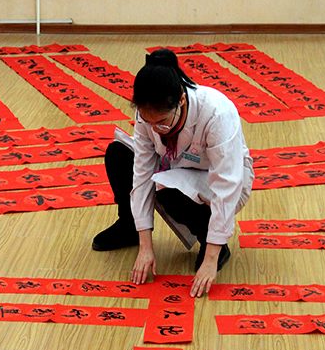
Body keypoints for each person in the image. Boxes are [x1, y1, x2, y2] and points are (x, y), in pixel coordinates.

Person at [92, 48, 254, 297]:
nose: (156, 129)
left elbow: (226, 185)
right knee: (119, 153)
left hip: (219, 178)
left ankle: (213, 241)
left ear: (181, 100)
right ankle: (129, 225)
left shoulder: (217, 113)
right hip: (175, 165)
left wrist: (211, 258)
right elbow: (142, 172)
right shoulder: (147, 115)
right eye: (149, 123)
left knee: (167, 189)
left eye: (163, 123)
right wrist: (146, 244)